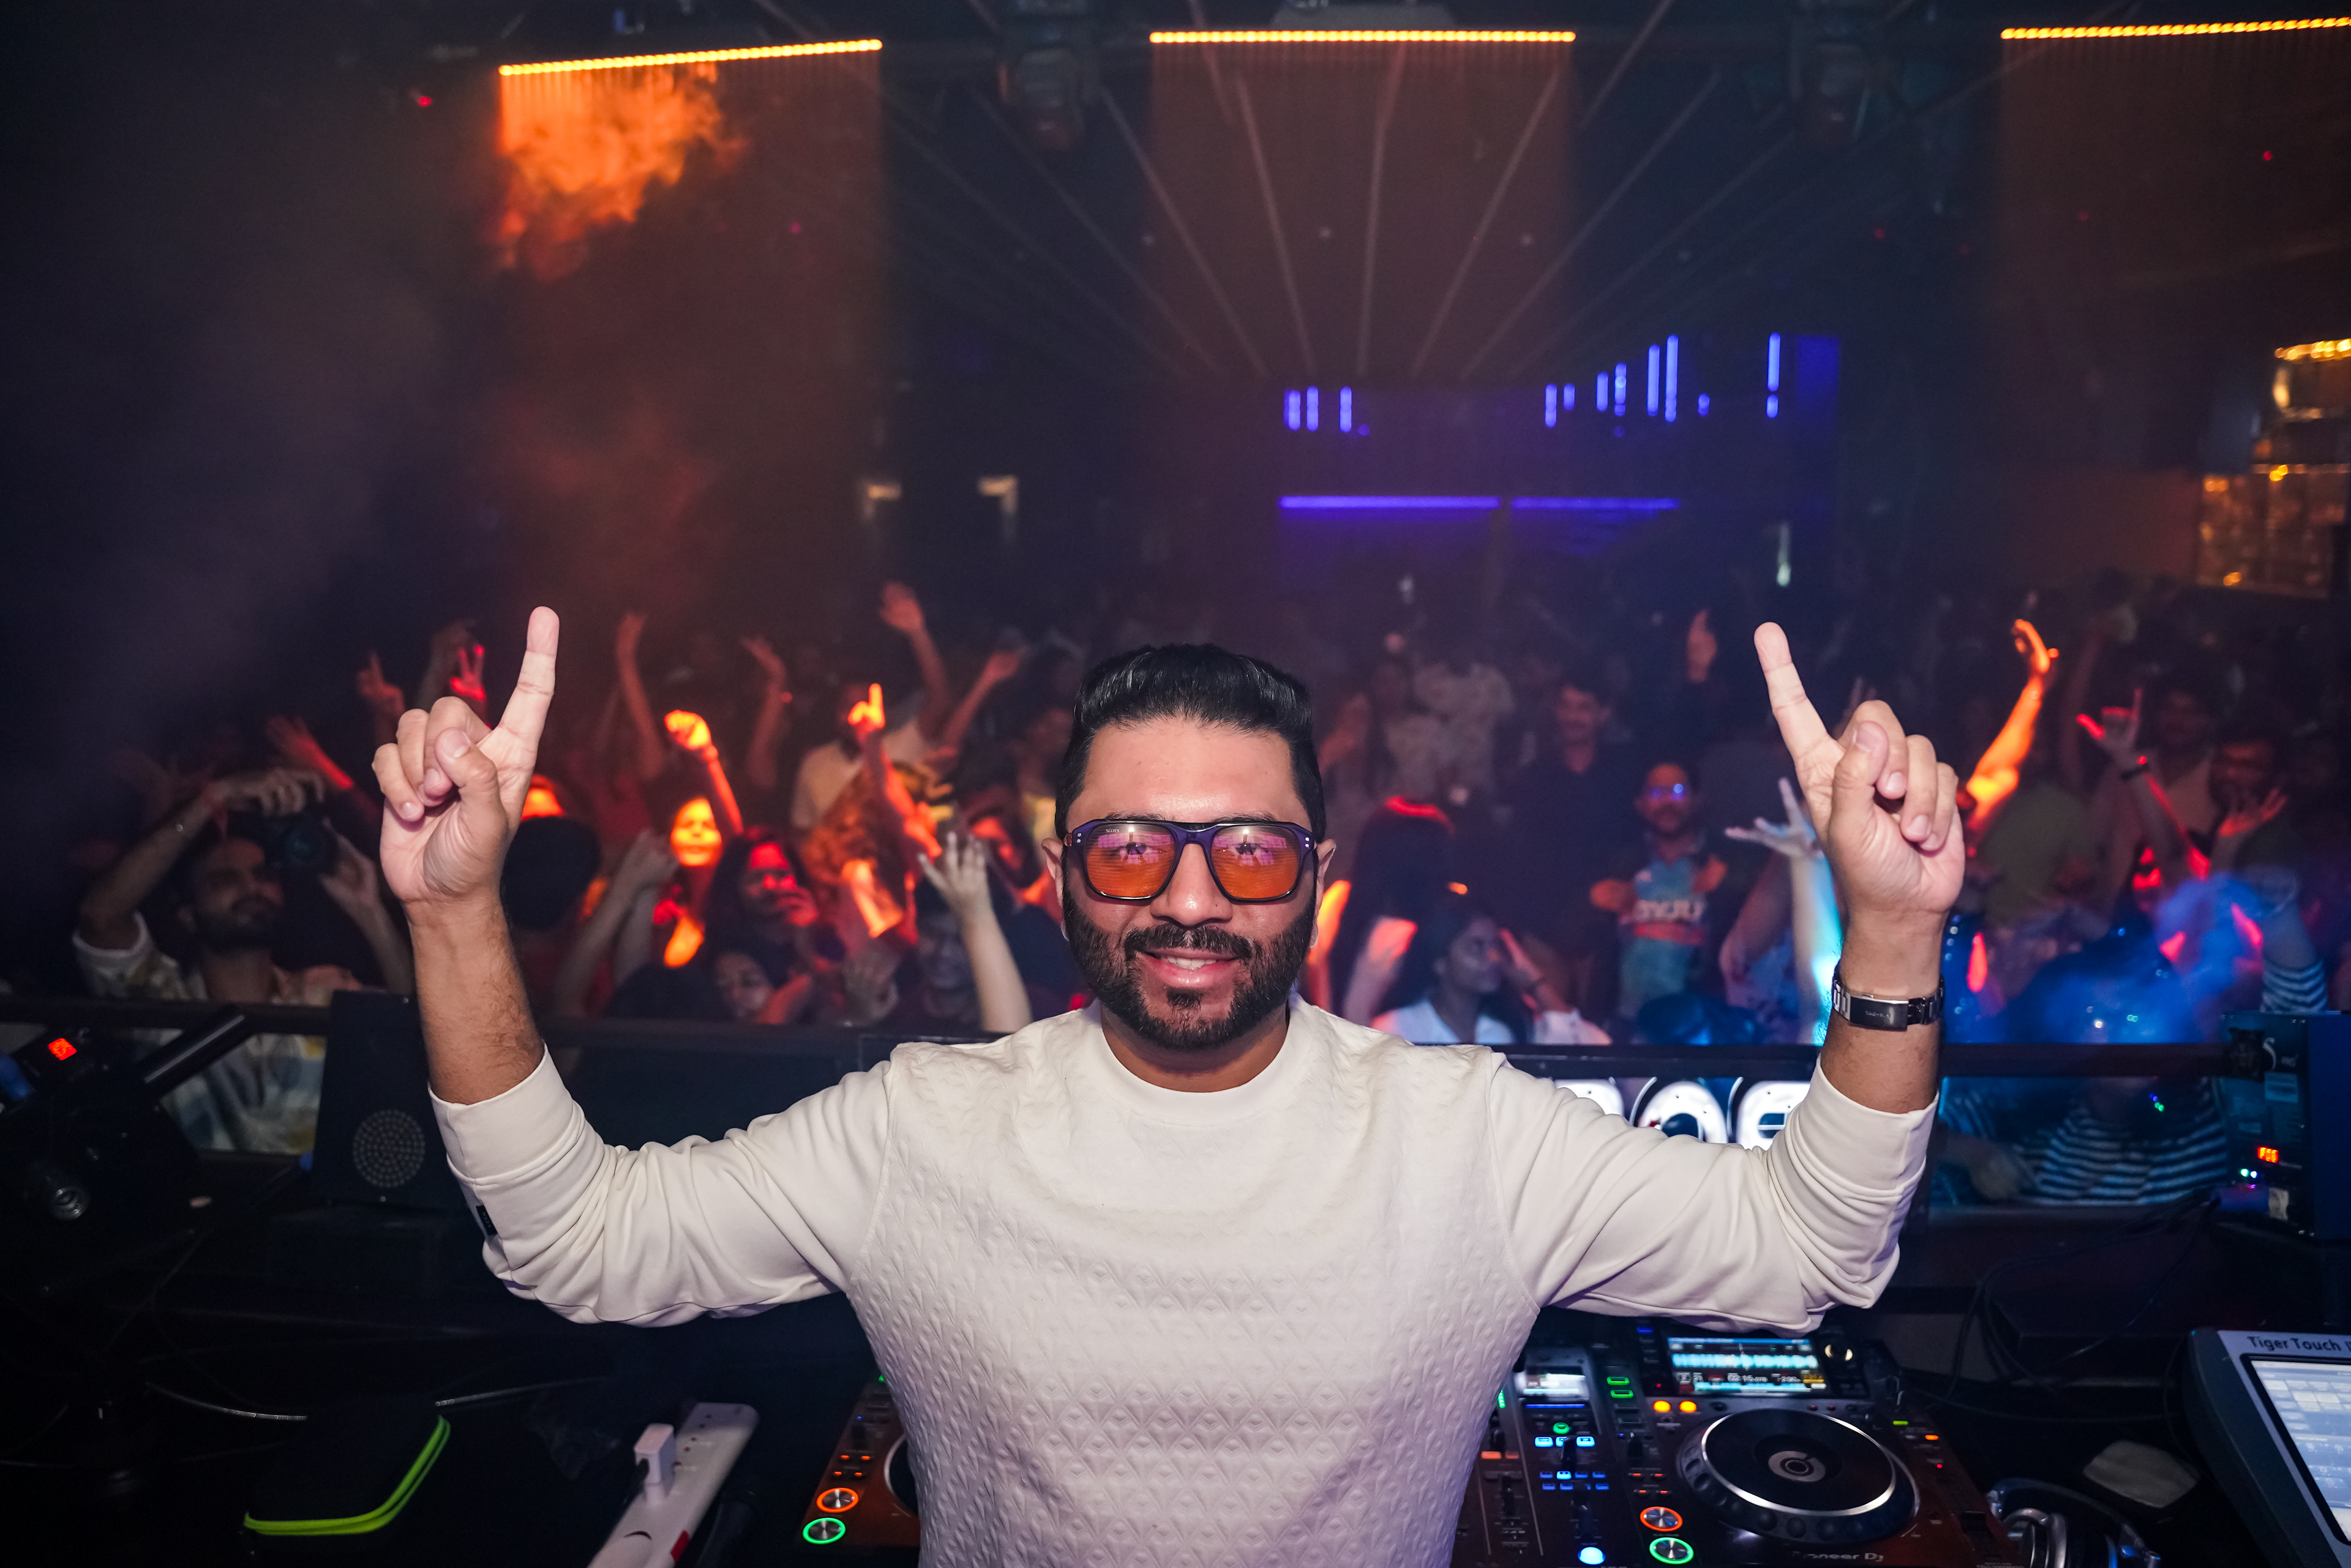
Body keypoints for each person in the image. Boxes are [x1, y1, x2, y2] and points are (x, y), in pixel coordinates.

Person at [381, 610, 1951, 1566]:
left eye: (1246, 848)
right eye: (1132, 845)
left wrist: (1888, 927)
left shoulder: (1465, 1131)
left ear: (1313, 876)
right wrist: (453, 914)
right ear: (1065, 869)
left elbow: (1812, 1246)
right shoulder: (919, 1124)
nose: (1189, 898)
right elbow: (575, 1239)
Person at [75, 768, 414, 1152]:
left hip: (314, 1193)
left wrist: (370, 913)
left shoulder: (323, 991)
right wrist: (212, 797)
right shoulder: (159, 998)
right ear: (188, 914)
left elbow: (416, 1034)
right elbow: (100, 917)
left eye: (263, 875)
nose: (251, 888)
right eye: (224, 880)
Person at [1371, 891, 1607, 1045]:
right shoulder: (1397, 1030)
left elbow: (1591, 1044)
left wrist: (1532, 980)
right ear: (1440, 961)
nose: (1493, 957)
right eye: (1477, 947)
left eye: (1496, 945)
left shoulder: (1505, 1028)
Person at [1591, 762, 1729, 1021]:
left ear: (1697, 800)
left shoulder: (1722, 865)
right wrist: (1596, 901)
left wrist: (1721, 892)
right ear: (1640, 804)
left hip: (1699, 1022)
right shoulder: (1619, 866)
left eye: (1677, 791)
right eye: (1656, 793)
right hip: (1627, 1022)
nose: (1667, 802)